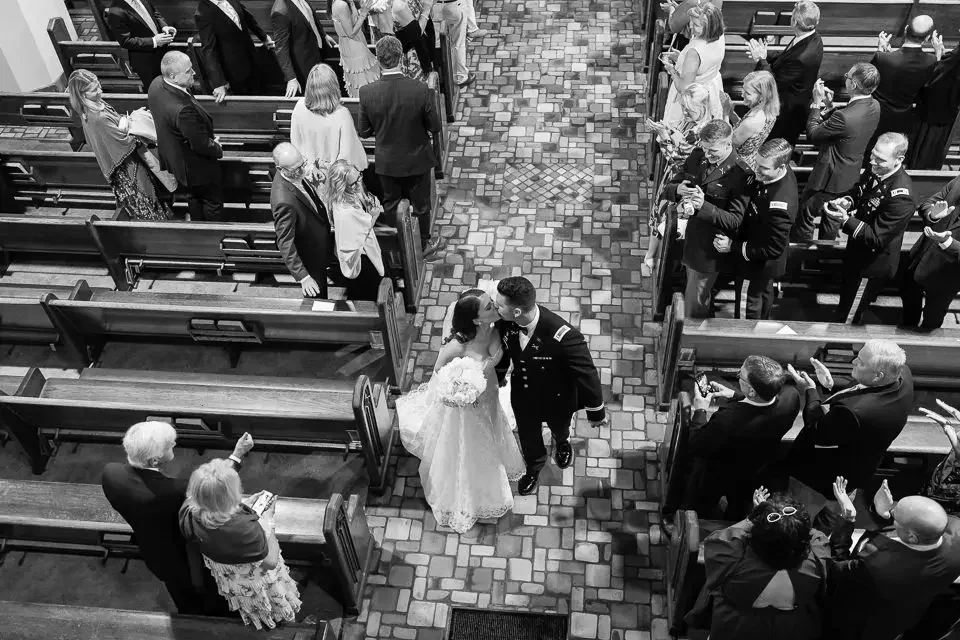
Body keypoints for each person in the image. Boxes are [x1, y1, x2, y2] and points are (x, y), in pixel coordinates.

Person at [397, 288, 525, 533]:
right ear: (476, 319)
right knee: (468, 444)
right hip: (464, 408)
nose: (495, 308)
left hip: (489, 395)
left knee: (494, 427)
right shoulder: (457, 346)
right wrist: (455, 393)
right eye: (489, 307)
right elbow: (439, 374)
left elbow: (499, 356)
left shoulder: (497, 329)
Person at [101, 421, 254, 615]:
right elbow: (213, 486)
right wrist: (237, 455)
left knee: (181, 596)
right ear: (155, 461)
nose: (174, 445)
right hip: (187, 555)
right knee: (207, 597)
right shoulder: (173, 492)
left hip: (153, 551)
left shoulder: (110, 473)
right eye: (170, 445)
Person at [493, 276, 607, 496]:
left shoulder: (564, 335)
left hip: (557, 396)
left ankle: (563, 443)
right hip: (524, 394)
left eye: (499, 305)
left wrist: (596, 412)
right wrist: (499, 375)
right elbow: (506, 352)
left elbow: (587, 373)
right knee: (528, 436)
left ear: (517, 311)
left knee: (560, 426)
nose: (496, 308)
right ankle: (534, 467)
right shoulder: (506, 323)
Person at [827, 479, 960, 640]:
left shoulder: (876, 565)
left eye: (895, 518)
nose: (893, 514)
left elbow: (836, 567)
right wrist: (884, 514)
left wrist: (846, 520)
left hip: (867, 622)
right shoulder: (956, 531)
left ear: (912, 536)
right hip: (907, 615)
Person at [784, 340, 914, 502]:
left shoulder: (853, 412)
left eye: (861, 363)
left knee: (805, 507)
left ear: (878, 376)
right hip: (861, 462)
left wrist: (810, 390)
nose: (853, 362)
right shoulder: (902, 373)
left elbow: (817, 431)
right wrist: (829, 386)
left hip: (827, 474)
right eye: (857, 357)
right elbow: (861, 393)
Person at [179, 459, 301, 629]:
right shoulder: (246, 530)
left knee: (255, 609)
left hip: (235, 580)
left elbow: (217, 511)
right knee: (277, 607)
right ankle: (291, 629)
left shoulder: (188, 514)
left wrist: (244, 507)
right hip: (256, 578)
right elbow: (270, 561)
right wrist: (269, 521)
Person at [681, 357, 801, 521]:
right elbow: (760, 409)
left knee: (704, 504)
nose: (738, 375)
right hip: (758, 468)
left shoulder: (727, 420)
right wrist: (735, 394)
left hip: (722, 471)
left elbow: (697, 443)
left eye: (741, 375)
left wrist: (701, 409)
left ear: (752, 391)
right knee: (739, 509)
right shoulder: (791, 398)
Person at [698, 493, 830, 640]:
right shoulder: (815, 560)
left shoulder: (735, 559)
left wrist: (754, 518)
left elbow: (719, 539)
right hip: (791, 631)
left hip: (735, 630)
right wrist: (786, 525)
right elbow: (814, 534)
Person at [358, 36, 443, 255]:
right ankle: (424, 243)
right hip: (417, 158)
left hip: (388, 162)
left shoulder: (367, 92)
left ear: (378, 60)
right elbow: (435, 126)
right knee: (422, 204)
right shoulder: (420, 89)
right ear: (401, 58)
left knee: (391, 204)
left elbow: (364, 131)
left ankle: (400, 247)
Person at [662, 119, 753, 319]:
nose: (707, 155)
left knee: (696, 300)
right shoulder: (698, 157)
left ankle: (686, 340)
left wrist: (703, 205)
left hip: (707, 248)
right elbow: (670, 186)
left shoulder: (741, 174)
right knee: (690, 291)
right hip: (686, 237)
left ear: (728, 144)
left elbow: (734, 220)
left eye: (713, 151)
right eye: (705, 149)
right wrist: (678, 189)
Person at [824, 132, 915, 324]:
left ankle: (841, 346)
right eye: (873, 154)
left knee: (851, 314)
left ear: (899, 159)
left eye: (880, 159)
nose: (872, 161)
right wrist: (847, 200)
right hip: (857, 252)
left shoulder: (902, 197)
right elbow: (860, 190)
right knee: (846, 299)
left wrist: (845, 220)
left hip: (872, 264)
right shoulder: (877, 169)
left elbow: (876, 237)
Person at [67, 70, 173, 221]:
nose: (100, 90)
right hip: (127, 167)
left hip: (126, 160)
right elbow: (123, 143)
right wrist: (138, 126)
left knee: (151, 194)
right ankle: (158, 228)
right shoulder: (97, 118)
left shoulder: (93, 105)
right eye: (94, 89)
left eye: (98, 85)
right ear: (82, 95)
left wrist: (131, 119)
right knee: (145, 198)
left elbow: (116, 124)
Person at [791, 62, 881, 242]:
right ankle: (826, 253)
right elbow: (846, 127)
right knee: (832, 216)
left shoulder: (844, 117)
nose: (845, 76)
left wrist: (816, 104)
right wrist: (830, 106)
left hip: (828, 176)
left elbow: (814, 134)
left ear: (853, 85)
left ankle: (799, 254)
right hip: (850, 173)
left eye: (848, 75)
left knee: (805, 215)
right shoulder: (875, 105)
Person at [720, 138, 797, 320]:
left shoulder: (780, 203)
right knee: (763, 295)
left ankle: (746, 339)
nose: (757, 170)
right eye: (757, 163)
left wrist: (733, 246)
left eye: (764, 168)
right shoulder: (780, 172)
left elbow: (773, 248)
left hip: (757, 263)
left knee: (748, 306)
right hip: (762, 261)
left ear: (781, 166)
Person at [644, 83, 714, 277]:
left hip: (681, 180)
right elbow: (680, 137)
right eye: (683, 107)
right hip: (673, 175)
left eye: (688, 109)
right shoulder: (693, 121)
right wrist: (667, 129)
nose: (684, 112)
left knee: (665, 216)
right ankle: (650, 255)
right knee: (658, 211)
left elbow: (678, 161)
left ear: (702, 107)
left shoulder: (701, 133)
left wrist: (664, 138)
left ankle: (656, 259)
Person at [148, 51, 224, 221]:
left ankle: (198, 226)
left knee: (193, 197)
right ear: (173, 76)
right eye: (189, 71)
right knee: (212, 202)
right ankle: (214, 235)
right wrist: (217, 147)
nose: (194, 73)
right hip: (195, 168)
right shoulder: (183, 110)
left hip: (176, 162)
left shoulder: (156, 84)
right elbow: (200, 144)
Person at [747, 0, 823, 146]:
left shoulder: (802, 57)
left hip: (787, 113)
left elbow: (772, 81)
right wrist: (766, 54)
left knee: (773, 148)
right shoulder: (813, 37)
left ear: (794, 21)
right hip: (793, 102)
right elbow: (787, 57)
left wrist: (761, 59)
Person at [864, 16, 938, 159]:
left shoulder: (884, 58)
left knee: (869, 152)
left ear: (905, 30)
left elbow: (868, 80)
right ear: (928, 38)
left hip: (877, 114)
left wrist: (881, 51)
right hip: (903, 118)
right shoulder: (932, 61)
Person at [271, 142, 335, 298]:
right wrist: (303, 277)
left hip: (319, 241)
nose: (302, 171)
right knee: (317, 298)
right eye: (296, 169)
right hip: (309, 255)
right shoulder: (283, 201)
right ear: (280, 169)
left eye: (302, 164)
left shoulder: (293, 171)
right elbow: (285, 243)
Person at [901, 175, 960, 330]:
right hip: (919, 257)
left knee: (931, 323)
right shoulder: (958, 181)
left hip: (948, 272)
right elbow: (927, 204)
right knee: (908, 313)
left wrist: (947, 242)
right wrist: (933, 215)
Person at [324, 159, 385, 301]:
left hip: (361, 249)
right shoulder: (346, 211)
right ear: (341, 186)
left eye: (359, 177)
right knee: (368, 292)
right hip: (359, 257)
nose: (359, 184)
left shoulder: (343, 195)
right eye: (353, 183)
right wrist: (374, 215)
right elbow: (362, 230)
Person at [291, 63, 369, 170]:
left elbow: (295, 145)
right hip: (333, 177)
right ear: (333, 86)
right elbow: (347, 155)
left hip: (306, 175)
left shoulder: (299, 106)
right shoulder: (342, 114)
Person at [195, 0, 275, 100]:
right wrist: (219, 83)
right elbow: (208, 49)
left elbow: (247, 17)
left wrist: (264, 37)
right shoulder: (203, 12)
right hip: (234, 70)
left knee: (262, 93)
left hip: (252, 58)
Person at [661, 3, 725, 127]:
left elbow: (684, 88)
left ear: (708, 27)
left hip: (693, 99)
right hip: (712, 87)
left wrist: (672, 70)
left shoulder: (694, 52)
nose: (690, 26)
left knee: (679, 136)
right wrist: (681, 58)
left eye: (696, 25)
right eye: (691, 22)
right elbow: (704, 64)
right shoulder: (719, 35)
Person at [907, 35, 959, 170]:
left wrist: (937, 53)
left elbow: (932, 79)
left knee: (923, 152)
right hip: (947, 109)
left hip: (935, 113)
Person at [272, 0, 339, 98]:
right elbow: (281, 48)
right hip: (303, 65)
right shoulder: (280, 11)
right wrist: (291, 78)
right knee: (313, 98)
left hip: (317, 52)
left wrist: (323, 35)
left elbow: (311, 17)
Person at [105, 0, 177, 91]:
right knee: (157, 91)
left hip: (163, 52)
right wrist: (154, 41)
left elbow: (155, 14)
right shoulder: (115, 12)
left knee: (174, 87)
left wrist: (164, 26)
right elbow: (126, 41)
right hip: (146, 61)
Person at [722, 71, 778, 171]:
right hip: (751, 160)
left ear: (762, 96)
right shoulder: (766, 111)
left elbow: (726, 144)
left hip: (737, 167)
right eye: (743, 89)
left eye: (747, 93)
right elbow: (743, 129)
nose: (742, 94)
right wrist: (732, 113)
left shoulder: (752, 121)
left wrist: (725, 113)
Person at [917, 399, 960, 516]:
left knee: (934, 514)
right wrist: (948, 408)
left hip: (948, 493)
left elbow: (958, 450)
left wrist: (946, 426)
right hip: (940, 478)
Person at [331, 0, 381, 97]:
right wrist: (364, 13)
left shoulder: (348, 2)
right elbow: (351, 33)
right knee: (364, 82)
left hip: (356, 42)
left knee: (368, 79)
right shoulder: (340, 5)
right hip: (353, 46)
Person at [433, 0, 475, 88]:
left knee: (437, 43)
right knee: (458, 43)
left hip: (435, 6)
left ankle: (441, 79)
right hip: (454, 5)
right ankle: (460, 77)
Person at [392, 0, 437, 80]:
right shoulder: (398, 5)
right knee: (420, 88)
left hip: (423, 48)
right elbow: (416, 33)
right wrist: (426, 9)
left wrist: (429, 6)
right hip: (413, 56)